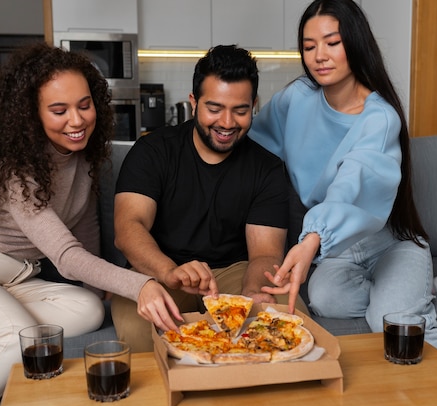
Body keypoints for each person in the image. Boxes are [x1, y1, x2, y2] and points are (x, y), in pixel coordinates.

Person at [0, 43, 183, 406]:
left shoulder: (83, 156)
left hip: (15, 281)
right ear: (32, 115)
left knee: (90, 310)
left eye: (84, 104)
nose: (76, 121)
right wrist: (141, 283)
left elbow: (84, 226)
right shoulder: (17, 169)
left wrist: (100, 289)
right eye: (59, 110)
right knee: (15, 341)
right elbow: (66, 256)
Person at [248, 0, 437, 366]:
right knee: (325, 298)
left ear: (355, 42)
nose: (320, 55)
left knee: (395, 322)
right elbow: (254, 140)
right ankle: (415, 291)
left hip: (389, 243)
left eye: (332, 42)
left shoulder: (380, 117)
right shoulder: (296, 98)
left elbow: (351, 183)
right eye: (309, 46)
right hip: (338, 251)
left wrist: (310, 240)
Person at [111, 45, 308, 352]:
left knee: (288, 320)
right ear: (194, 103)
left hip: (234, 272)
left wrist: (254, 292)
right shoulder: (152, 151)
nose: (227, 123)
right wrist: (168, 271)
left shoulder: (267, 168)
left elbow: (265, 254)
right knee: (139, 333)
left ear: (254, 105)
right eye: (214, 109)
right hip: (159, 269)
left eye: (240, 110)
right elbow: (127, 229)